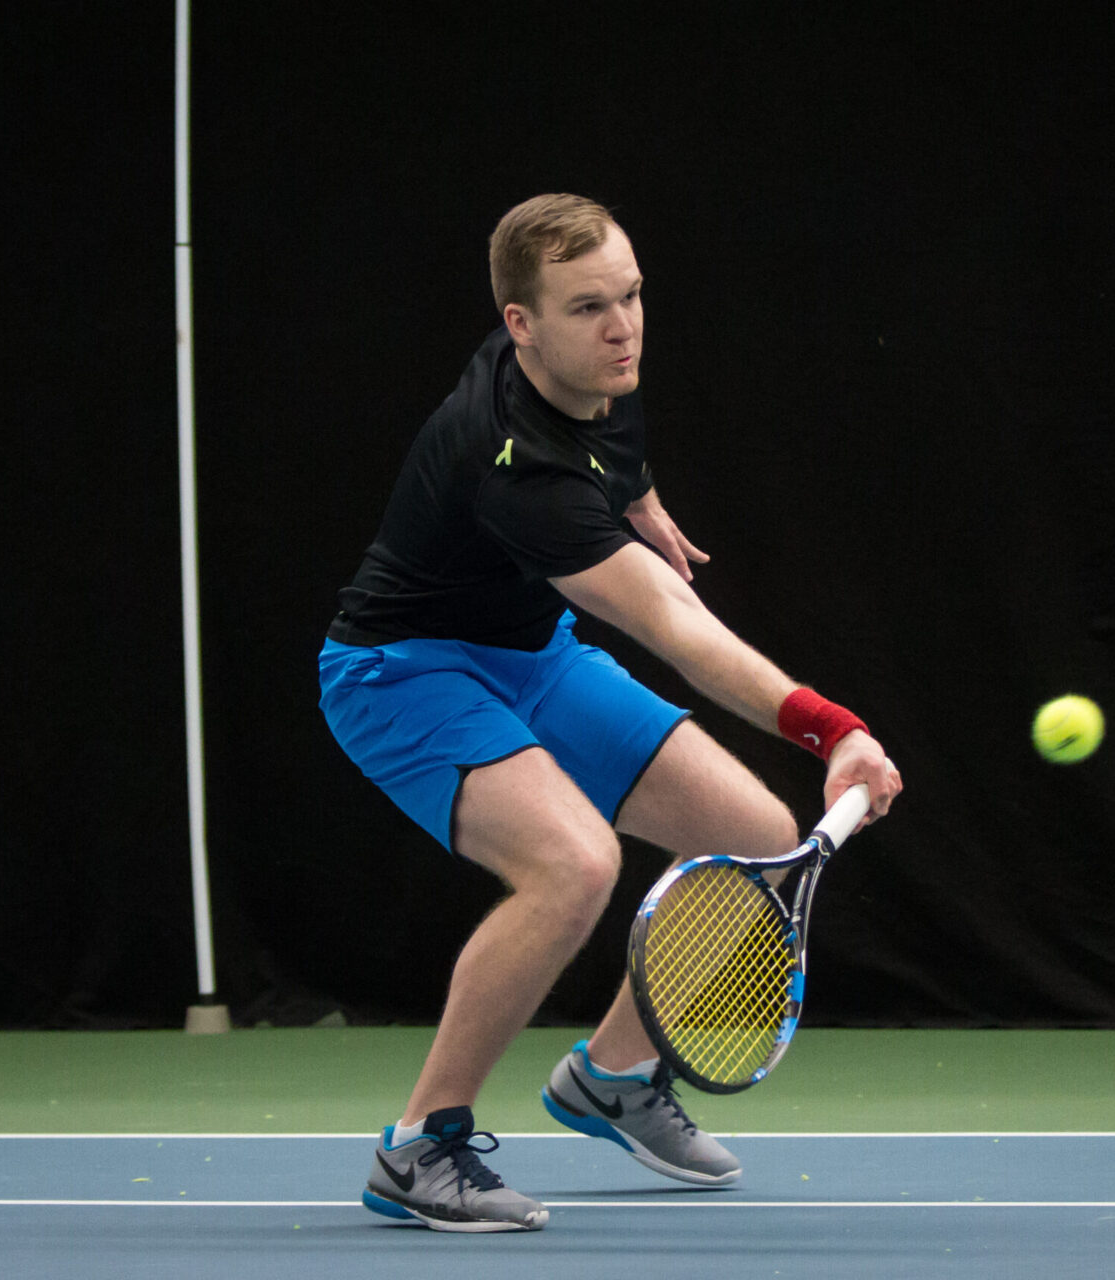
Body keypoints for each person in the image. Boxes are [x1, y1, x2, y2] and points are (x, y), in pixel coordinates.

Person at [318, 194, 902, 1232]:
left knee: (756, 833)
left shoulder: (592, 370)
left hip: (530, 656)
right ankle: (419, 1146)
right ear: (521, 324)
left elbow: (612, 449)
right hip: (401, 674)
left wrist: (637, 501)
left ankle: (614, 1077)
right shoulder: (518, 469)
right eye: (590, 308)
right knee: (575, 864)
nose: (623, 326)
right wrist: (830, 726)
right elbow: (676, 627)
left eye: (630, 296)